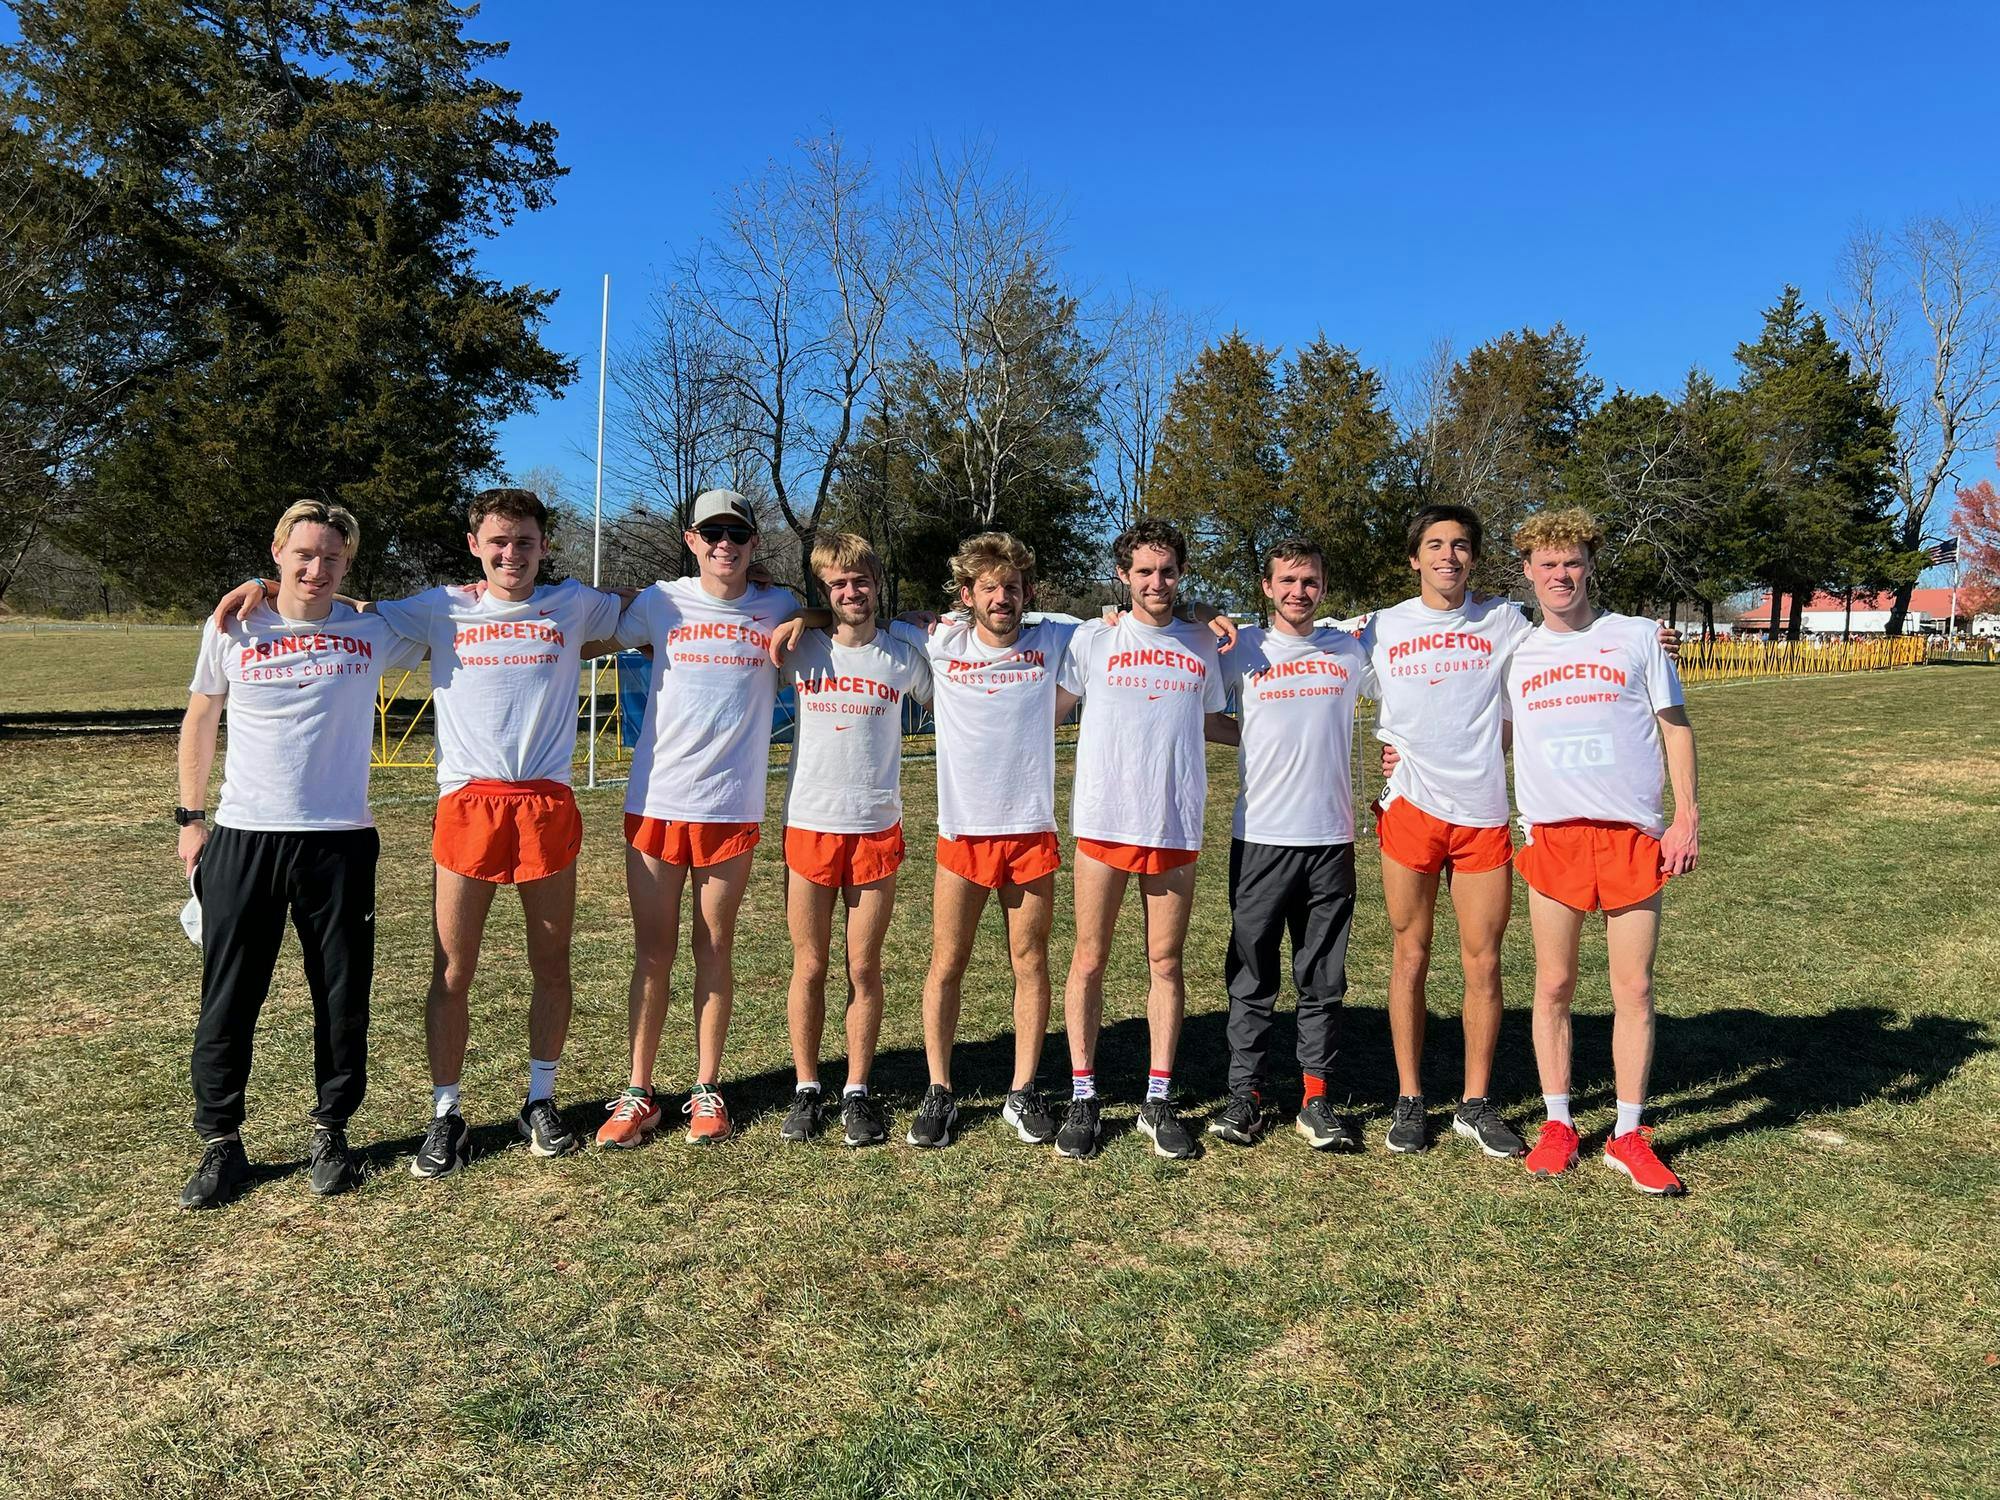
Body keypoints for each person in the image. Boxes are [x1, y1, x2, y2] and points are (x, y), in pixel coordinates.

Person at [211, 488, 630, 1176]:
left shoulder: (574, 605)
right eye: (498, 541)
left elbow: (658, 601)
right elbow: (339, 604)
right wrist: (266, 580)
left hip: (545, 804)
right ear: (475, 545)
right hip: (468, 806)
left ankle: (541, 1098)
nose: (511, 554)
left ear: (544, 546)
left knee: (551, 964)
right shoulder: (439, 607)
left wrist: (764, 588)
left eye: (525, 541)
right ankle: (445, 1114)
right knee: (452, 971)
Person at [175, 500, 428, 1209]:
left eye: (332, 559)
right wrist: (191, 820)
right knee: (230, 996)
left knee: (342, 996)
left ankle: (332, 1129)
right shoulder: (233, 623)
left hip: (341, 839)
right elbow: (201, 717)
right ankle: (221, 1143)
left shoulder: (370, 629)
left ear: (348, 565)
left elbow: (443, 626)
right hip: (244, 835)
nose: (316, 570)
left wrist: (355, 598)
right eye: (304, 555)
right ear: (278, 552)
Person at [598, 489, 800, 1148]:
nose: (725, 545)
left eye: (737, 534)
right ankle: (638, 1092)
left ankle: (707, 1088)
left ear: (754, 545)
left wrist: (821, 608)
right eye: (712, 533)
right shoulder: (661, 600)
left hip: (729, 808)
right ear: (691, 540)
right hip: (657, 803)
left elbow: (836, 615)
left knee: (714, 946)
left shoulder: (778, 606)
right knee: (653, 953)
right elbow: (593, 622)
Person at [1505, 509, 1699, 1195]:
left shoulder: (1639, 637)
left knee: (1634, 988)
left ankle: (1626, 1133)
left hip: (1631, 836)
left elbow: (1674, 729)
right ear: (1527, 571)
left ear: (1591, 566)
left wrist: (1686, 818)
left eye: (1573, 562)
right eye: (1547, 563)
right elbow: (1484, 733)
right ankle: (1559, 1123)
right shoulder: (1516, 651)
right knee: (1554, 985)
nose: (1561, 575)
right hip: (1553, 834)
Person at [883, 532, 1084, 1149]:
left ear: (1027, 593)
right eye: (990, 588)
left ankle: (1022, 1092)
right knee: (948, 963)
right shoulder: (939, 639)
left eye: (1013, 587)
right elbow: (855, 612)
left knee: (1031, 962)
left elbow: (1134, 617)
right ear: (966, 594)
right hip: (962, 835)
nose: (1003, 598)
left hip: (1029, 833)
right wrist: (806, 614)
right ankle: (939, 1091)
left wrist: (1206, 615)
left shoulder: (1055, 638)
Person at [1054, 519, 1235, 1161]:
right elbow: (1047, 709)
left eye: (1167, 571)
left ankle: (1158, 1100)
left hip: (1174, 821)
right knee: (1090, 958)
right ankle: (1084, 1096)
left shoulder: (1202, 642)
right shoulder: (1090, 639)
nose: (1156, 583)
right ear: (1123, 577)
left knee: (1166, 962)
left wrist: (1278, 735)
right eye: (1143, 572)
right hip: (1103, 820)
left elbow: (1213, 720)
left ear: (1180, 575)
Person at [1358, 505, 1533, 1158]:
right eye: (1434, 544)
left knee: (1483, 962)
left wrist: (1647, 641)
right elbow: (1299, 647)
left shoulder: (1506, 622)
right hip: (1410, 812)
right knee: (1410, 955)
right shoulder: (1380, 627)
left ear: (1474, 558)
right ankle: (1409, 1099)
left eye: (1460, 546)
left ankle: (1475, 1102)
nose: (1448, 556)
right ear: (1414, 557)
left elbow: (1556, 665)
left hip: (1482, 815)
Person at [1207, 539, 1375, 1152]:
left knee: (1322, 975)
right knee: (1252, 973)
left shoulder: (1349, 648)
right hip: (1261, 838)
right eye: (1287, 580)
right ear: (1266, 586)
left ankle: (1315, 1097)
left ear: (1323, 588)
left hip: (1331, 838)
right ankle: (1245, 1093)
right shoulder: (1242, 646)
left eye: (1309, 581)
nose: (1298, 591)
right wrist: (1249, 735)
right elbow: (1201, 714)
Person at [772, 533, 931, 1148]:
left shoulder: (900, 655)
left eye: (860, 580)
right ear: (824, 591)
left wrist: (922, 625)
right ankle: (808, 1087)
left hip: (875, 827)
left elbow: (957, 696)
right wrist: (805, 617)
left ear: (876, 582)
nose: (851, 592)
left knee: (863, 966)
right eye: (837, 584)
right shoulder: (801, 647)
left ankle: (858, 1090)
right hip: (810, 823)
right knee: (810, 965)